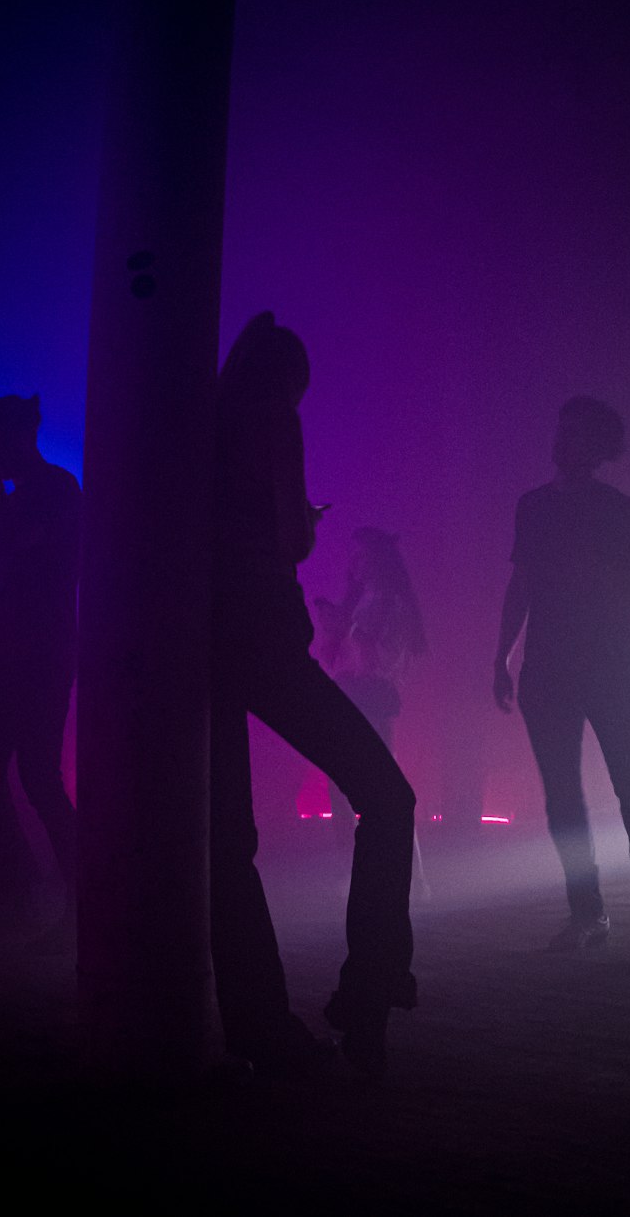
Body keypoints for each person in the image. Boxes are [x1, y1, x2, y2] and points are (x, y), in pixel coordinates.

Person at [210, 312, 417, 1078]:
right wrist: (303, 520)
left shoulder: (199, 422)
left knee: (226, 844)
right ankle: (370, 987)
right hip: (264, 641)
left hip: (200, 649)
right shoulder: (273, 421)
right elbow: (292, 541)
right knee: (387, 799)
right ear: (288, 383)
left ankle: (258, 1022)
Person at [493, 396, 630, 955]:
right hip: (571, 665)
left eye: (573, 433)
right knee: (586, 794)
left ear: (595, 447)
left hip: (581, 664)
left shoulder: (599, 509)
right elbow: (522, 585)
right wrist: (500, 655)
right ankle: (624, 915)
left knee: (622, 790)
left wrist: (503, 656)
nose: (562, 440)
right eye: (562, 431)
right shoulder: (593, 508)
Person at [0, 396, 80, 932]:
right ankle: (27, 887)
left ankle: (71, 893)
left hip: (39, 652)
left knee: (36, 777)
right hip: (21, 651)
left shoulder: (55, 490)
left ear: (13, 438)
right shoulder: (41, 490)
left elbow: (5, 550)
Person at [314, 526, 432, 900]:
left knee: (382, 787)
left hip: (373, 697)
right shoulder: (362, 600)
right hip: (349, 694)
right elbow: (335, 658)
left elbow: (380, 661)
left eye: (361, 556)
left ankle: (411, 879)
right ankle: (355, 871)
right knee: (344, 785)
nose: (354, 564)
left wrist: (347, 629)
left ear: (378, 561)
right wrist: (335, 630)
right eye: (354, 556)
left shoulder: (391, 603)